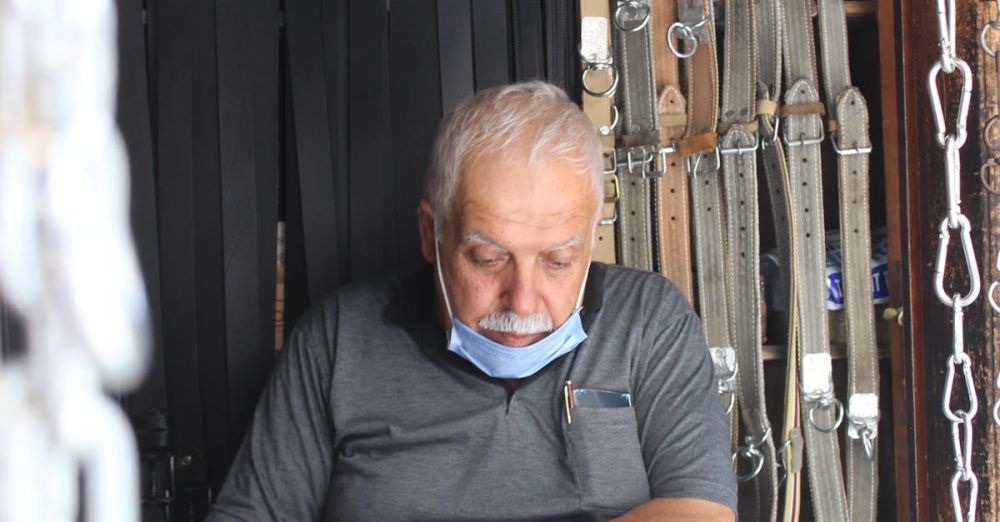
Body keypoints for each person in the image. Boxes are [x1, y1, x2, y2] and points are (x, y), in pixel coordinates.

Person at [207, 82, 736, 521]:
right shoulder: (340, 337)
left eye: (557, 260)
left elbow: (701, 509)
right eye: (488, 259)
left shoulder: (649, 321)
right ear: (429, 232)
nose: (524, 299)